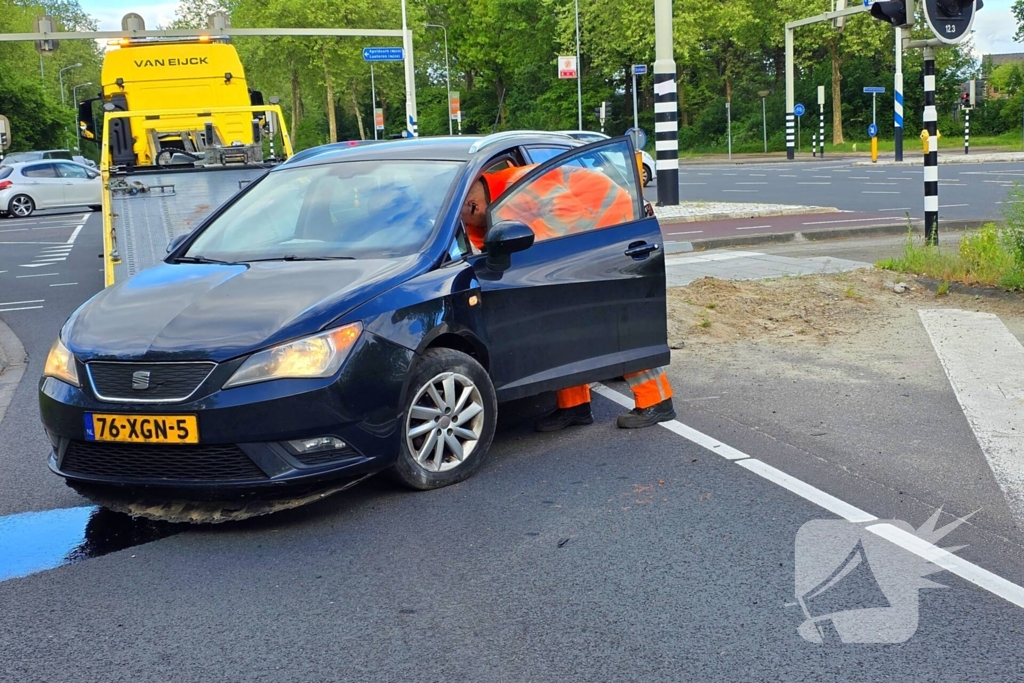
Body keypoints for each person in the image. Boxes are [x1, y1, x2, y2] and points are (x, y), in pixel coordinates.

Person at [459, 162, 677, 431]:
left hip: (612, 233)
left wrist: (527, 256)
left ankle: (657, 401)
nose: (466, 226)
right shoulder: (483, 211)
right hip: (575, 246)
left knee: (614, 328)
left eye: (465, 220)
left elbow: (568, 212)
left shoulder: (521, 185)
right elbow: (482, 245)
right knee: (565, 326)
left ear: (472, 205)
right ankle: (575, 405)